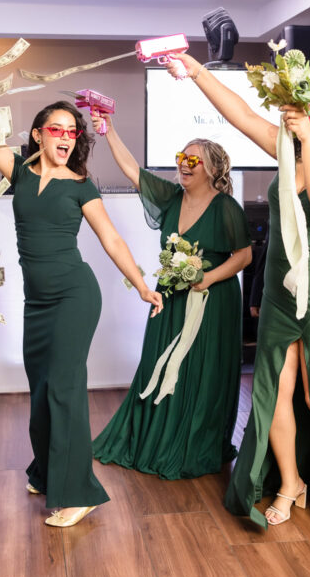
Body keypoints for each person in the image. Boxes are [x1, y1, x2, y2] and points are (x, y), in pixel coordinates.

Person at [167, 53, 310, 526]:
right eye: (304, 115)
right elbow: (242, 115)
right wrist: (197, 72)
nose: (304, 120)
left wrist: (304, 138)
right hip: (279, 288)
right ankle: (290, 483)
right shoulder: (292, 152)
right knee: (272, 390)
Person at [0, 36, 163, 527]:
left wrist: (140, 284)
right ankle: (48, 470)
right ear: (39, 134)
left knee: (66, 389)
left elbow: (112, 239)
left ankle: (79, 491)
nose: (67, 136)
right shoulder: (19, 172)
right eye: (57, 128)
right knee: (43, 386)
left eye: (73, 130)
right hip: (38, 302)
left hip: (74, 295)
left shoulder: (81, 185)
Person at [90, 114, 252, 479]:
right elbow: (133, 170)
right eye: (181, 157)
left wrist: (206, 277)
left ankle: (195, 441)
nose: (183, 164)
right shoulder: (171, 197)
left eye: (192, 159)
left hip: (214, 300)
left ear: (212, 168)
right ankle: (155, 435)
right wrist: (110, 130)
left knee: (201, 370)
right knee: (157, 363)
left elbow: (244, 256)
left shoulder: (227, 208)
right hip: (170, 297)